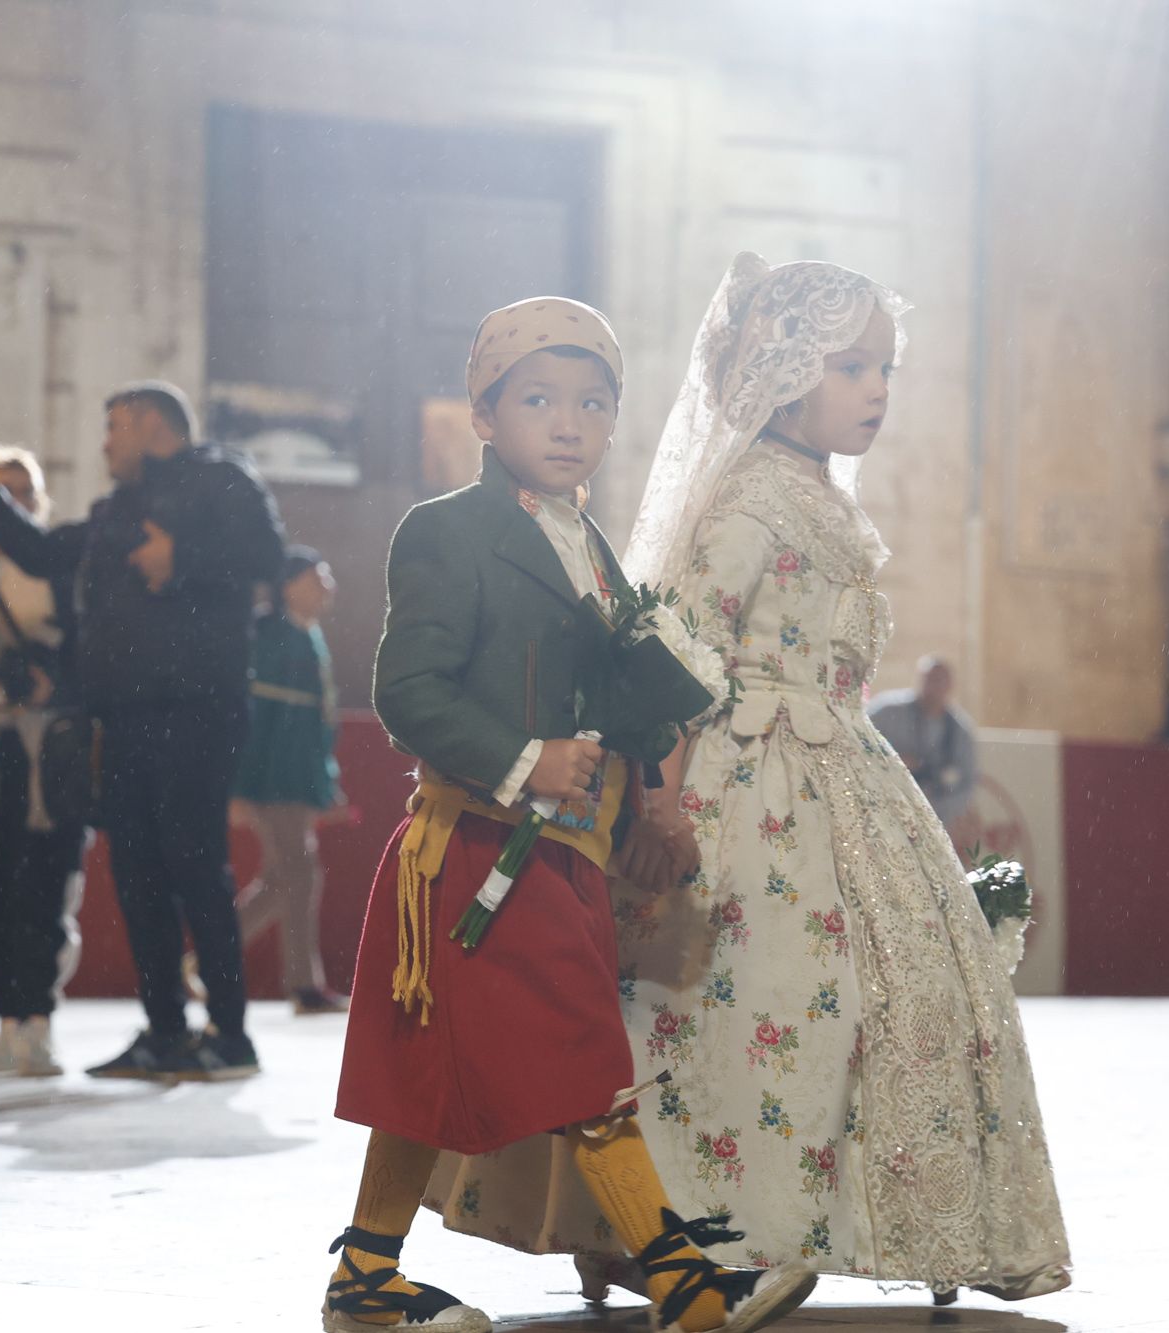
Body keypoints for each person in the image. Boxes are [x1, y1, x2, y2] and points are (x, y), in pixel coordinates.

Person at [447, 258, 1071, 1301]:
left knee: (854, 995)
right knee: (740, 997)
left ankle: (861, 1217)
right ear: (785, 373)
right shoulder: (752, 498)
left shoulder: (819, 496)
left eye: (885, 369)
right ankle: (694, 1227)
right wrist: (660, 801)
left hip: (841, 769)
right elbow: (678, 653)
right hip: (748, 781)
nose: (876, 389)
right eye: (849, 366)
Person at [322, 298, 817, 1333]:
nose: (567, 423)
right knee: (584, 1058)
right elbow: (407, 692)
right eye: (538, 399)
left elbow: (609, 689)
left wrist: (653, 795)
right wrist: (526, 759)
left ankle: (365, 1276)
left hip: (563, 853)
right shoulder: (446, 531)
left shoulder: (587, 542)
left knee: (428, 1068)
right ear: (483, 414)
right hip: (477, 850)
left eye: (593, 403)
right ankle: (684, 1283)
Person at [0, 381, 285, 1081]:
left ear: (151, 424)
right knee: (138, 875)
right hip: (124, 717)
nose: (104, 443)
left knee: (195, 865)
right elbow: (46, 552)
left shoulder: (222, 479)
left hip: (196, 709)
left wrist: (182, 558)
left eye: (114, 427)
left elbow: (266, 556)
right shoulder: (117, 510)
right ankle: (164, 1030)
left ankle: (230, 1034)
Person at [0, 446, 89, 1078]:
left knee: (45, 886)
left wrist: (51, 677)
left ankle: (37, 1020)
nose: (10, 502)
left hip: (49, 744)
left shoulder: (59, 565)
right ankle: (5, 1015)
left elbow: (89, 646)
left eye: (22, 492)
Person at [229, 545, 348, 1015]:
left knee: (284, 879)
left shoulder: (309, 635)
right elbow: (255, 720)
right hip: (272, 780)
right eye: (318, 578)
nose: (328, 587)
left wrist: (324, 782)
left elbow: (318, 724)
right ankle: (303, 985)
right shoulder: (270, 635)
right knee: (299, 874)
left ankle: (212, 953)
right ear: (290, 586)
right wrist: (240, 787)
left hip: (297, 780)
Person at [867, 656, 978, 831]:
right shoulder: (887, 712)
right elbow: (861, 743)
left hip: (934, 817)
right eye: (929, 679)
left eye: (940, 681)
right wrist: (891, 762)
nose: (934, 687)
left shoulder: (959, 732)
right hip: (883, 807)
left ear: (950, 686)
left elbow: (965, 785)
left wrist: (931, 813)